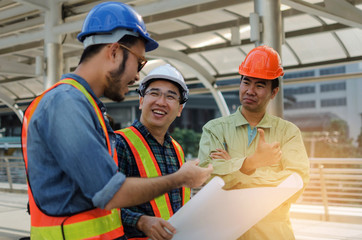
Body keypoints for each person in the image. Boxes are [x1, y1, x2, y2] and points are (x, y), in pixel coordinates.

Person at [21, 2, 212, 240]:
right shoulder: (65, 103)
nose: (136, 76)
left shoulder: (86, 107)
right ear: (114, 52)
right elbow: (110, 194)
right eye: (139, 62)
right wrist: (180, 178)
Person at [198, 45, 310, 240]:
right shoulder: (214, 129)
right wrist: (251, 163)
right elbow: (208, 178)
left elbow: (295, 184)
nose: (250, 90)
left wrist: (232, 170)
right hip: (227, 233)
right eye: (246, 82)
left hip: (273, 235)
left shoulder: (288, 132)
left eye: (259, 85)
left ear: (273, 92)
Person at [115, 64, 190, 240]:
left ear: (179, 109)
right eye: (154, 93)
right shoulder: (120, 143)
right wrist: (141, 221)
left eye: (170, 96)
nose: (161, 102)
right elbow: (104, 202)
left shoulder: (177, 150)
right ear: (141, 101)